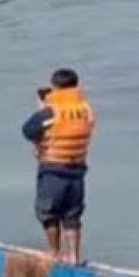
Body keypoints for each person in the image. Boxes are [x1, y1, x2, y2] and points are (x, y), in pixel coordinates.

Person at [22, 68, 95, 265]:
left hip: (53, 170)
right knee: (72, 215)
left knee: (48, 213)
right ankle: (74, 256)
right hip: (77, 170)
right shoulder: (86, 110)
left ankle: (55, 253)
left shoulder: (50, 112)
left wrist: (41, 109)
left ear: (56, 87)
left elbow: (28, 130)